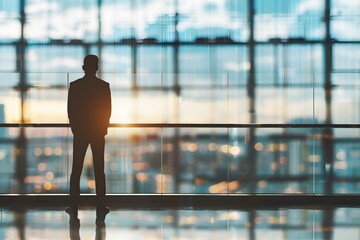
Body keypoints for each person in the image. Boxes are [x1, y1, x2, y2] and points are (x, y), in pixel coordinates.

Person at [66, 55, 111, 220]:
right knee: (99, 169)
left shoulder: (75, 86)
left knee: (76, 169)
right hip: (97, 131)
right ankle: (101, 204)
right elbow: (107, 110)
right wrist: (103, 128)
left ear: (83, 67)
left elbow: (71, 110)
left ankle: (73, 204)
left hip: (81, 132)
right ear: (97, 68)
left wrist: (76, 129)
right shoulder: (103, 86)